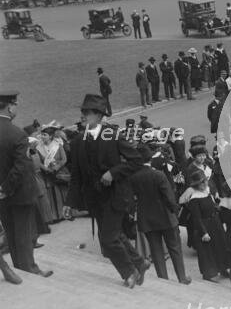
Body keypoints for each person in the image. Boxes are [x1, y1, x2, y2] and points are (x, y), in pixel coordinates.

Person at [63, 94, 148, 288]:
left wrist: (113, 172)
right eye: (82, 112)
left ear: (99, 115)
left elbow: (136, 161)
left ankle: (129, 272)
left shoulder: (113, 135)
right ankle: (140, 262)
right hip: (95, 200)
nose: (83, 115)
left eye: (88, 112)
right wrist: (69, 202)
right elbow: (76, 177)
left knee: (107, 239)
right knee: (115, 234)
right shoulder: (76, 142)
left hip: (116, 196)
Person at [0, 91, 52, 281]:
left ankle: (18, 268)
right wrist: (5, 188)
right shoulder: (17, 133)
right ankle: (30, 269)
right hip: (18, 192)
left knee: (12, 235)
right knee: (23, 233)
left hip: (2, 196)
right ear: (9, 106)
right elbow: (21, 166)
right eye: (15, 105)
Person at [129, 145, 191, 284]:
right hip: (166, 217)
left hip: (147, 219)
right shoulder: (159, 175)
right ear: (150, 159)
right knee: (174, 248)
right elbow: (169, 198)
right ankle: (182, 277)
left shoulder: (134, 178)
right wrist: (175, 210)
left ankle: (163, 279)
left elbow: (132, 199)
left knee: (156, 252)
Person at [185, 169, 228, 283]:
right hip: (205, 225)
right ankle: (208, 274)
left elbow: (213, 206)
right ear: (196, 185)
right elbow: (196, 218)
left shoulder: (207, 192)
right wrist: (204, 232)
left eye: (205, 181)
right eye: (201, 183)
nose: (204, 184)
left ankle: (223, 268)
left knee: (220, 245)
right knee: (208, 251)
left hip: (215, 222)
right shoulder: (194, 199)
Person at [35, 125, 68, 223]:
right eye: (42, 135)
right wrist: (45, 168)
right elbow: (38, 161)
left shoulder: (58, 145)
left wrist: (57, 167)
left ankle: (64, 213)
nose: (42, 137)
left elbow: (64, 159)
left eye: (44, 135)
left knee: (61, 193)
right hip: (47, 174)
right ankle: (54, 216)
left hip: (59, 172)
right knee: (51, 194)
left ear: (50, 136)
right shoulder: (39, 148)